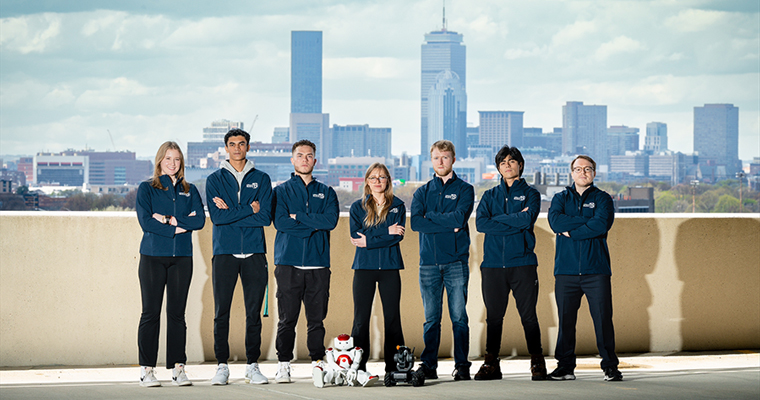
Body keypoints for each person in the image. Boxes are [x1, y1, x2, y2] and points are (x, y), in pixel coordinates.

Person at [135, 141, 206, 387]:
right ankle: (147, 370)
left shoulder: (191, 190)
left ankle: (178, 369)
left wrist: (167, 220)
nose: (172, 164)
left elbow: (200, 222)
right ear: (159, 162)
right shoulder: (146, 189)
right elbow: (146, 223)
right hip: (153, 258)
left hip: (181, 260)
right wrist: (179, 228)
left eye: (177, 159)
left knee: (177, 315)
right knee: (150, 314)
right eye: (168, 159)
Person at [547, 155, 623, 382]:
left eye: (588, 169)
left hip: (596, 271)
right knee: (566, 322)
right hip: (566, 272)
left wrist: (572, 232)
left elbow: (601, 224)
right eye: (578, 169)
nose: (583, 172)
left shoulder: (603, 198)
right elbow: (556, 223)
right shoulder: (560, 198)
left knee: (602, 320)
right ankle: (565, 367)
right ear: (571, 173)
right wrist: (584, 224)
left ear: (594, 173)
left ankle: (610, 366)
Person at [206, 129, 273, 385]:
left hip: (255, 252)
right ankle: (221, 366)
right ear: (226, 148)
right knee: (221, 311)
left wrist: (233, 212)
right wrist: (248, 209)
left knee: (253, 312)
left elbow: (264, 217)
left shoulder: (262, 179)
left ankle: (252, 365)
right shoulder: (214, 179)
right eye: (232, 144)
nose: (237, 148)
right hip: (224, 252)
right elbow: (217, 218)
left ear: (248, 147)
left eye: (241, 144)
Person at [473, 146, 546, 381]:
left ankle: (537, 362)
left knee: (528, 316)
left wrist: (500, 220)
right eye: (503, 162)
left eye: (512, 161)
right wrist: (514, 220)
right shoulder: (489, 196)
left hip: (522, 263)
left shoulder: (531, 194)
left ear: (520, 166)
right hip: (493, 265)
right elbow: (482, 224)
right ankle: (491, 364)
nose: (507, 165)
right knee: (494, 317)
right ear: (498, 168)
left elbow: (527, 219)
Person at [272, 139, 339, 383]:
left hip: (318, 265)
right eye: (300, 155)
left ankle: (317, 364)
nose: (304, 159)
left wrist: (299, 217)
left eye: (309, 156)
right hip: (288, 263)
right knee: (287, 319)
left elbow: (330, 221)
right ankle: (283, 365)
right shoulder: (280, 191)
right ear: (292, 160)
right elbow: (280, 222)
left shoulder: (327, 192)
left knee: (316, 320)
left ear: (315, 161)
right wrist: (313, 224)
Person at [410, 140, 475, 381]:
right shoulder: (422, 191)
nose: (440, 162)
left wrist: (433, 218)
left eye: (445, 157)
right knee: (431, 319)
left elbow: (459, 219)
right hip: (428, 263)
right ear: (431, 161)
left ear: (453, 159)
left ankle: (462, 365)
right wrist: (447, 223)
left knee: (459, 317)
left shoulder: (466, 189)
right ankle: (429, 366)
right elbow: (416, 223)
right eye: (436, 157)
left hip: (456, 262)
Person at [348, 162, 406, 377]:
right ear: (367, 182)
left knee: (392, 318)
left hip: (390, 268)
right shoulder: (357, 206)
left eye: (382, 177)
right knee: (360, 320)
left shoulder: (398, 205)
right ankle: (359, 367)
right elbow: (356, 238)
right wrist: (386, 231)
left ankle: (394, 368)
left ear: (388, 180)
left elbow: (397, 237)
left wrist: (371, 238)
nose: (377, 181)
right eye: (373, 177)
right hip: (364, 268)